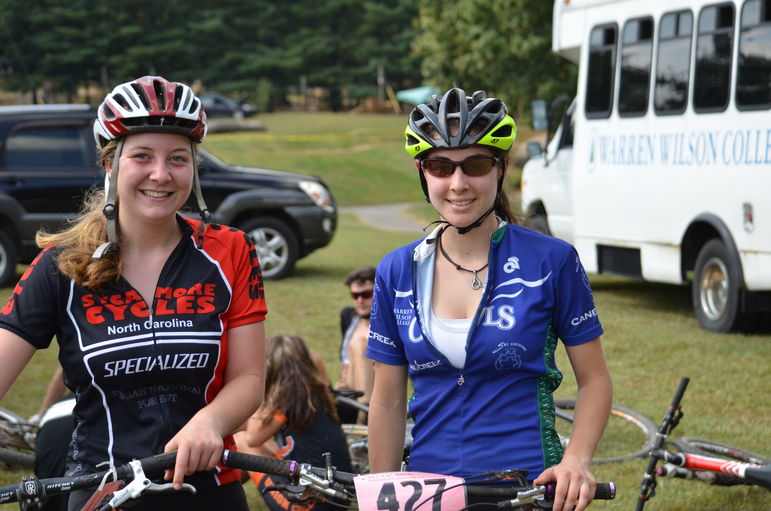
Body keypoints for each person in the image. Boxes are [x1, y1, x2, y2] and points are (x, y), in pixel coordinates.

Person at [0, 75, 267, 511]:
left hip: (209, 489)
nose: (161, 175)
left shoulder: (231, 249)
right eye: (142, 156)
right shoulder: (60, 265)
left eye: (178, 159)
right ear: (110, 164)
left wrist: (209, 422)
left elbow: (250, 378)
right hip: (103, 490)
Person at [365, 87, 612, 511]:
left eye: (475, 165)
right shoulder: (396, 270)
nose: (458, 183)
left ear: (501, 169)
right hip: (427, 489)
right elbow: (387, 400)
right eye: (441, 166)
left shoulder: (552, 260)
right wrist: (381, 491)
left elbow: (595, 380)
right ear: (423, 173)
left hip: (528, 485)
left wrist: (577, 459)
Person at [234, 334, 352, 511]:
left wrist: (257, 389)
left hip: (309, 504)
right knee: (252, 438)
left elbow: (252, 439)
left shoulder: (285, 399)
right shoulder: (313, 391)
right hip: (341, 497)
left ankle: (223, 492)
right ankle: (226, 491)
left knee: (242, 441)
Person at [335, 265, 376, 424]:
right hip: (345, 390)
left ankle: (364, 414)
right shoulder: (348, 317)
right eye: (355, 295)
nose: (359, 300)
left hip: (375, 394)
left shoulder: (389, 324)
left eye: (366, 294)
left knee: (360, 344)